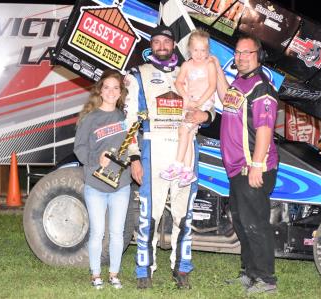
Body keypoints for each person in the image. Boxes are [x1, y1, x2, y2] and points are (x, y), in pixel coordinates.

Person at [123, 25, 214, 289]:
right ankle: (144, 271)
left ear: (174, 45)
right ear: (151, 45)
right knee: (148, 215)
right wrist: (133, 157)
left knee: (183, 215)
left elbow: (212, 111)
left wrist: (204, 116)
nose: (162, 45)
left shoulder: (191, 69)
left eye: (167, 41)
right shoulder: (138, 74)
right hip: (154, 150)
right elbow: (129, 119)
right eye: (157, 41)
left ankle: (181, 268)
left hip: (185, 151)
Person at [213, 34, 279, 295]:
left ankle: (266, 280)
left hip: (252, 167)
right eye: (237, 53)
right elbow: (224, 96)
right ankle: (249, 272)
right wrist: (216, 66)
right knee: (241, 222)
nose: (240, 58)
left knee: (256, 223)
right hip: (237, 168)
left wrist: (256, 165)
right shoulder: (241, 83)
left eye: (246, 53)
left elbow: (264, 130)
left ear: (258, 55)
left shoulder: (261, 87)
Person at [74, 69, 140, 290]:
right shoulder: (90, 119)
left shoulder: (126, 117)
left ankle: (113, 273)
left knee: (117, 232)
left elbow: (133, 145)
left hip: (120, 184)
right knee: (97, 232)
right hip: (95, 184)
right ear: (100, 90)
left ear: (120, 92)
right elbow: (79, 148)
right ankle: (95, 274)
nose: (111, 91)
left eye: (116, 88)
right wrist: (95, 160)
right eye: (107, 87)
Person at [159, 29, 217, 187]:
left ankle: (177, 165)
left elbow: (212, 86)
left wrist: (199, 103)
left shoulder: (210, 64)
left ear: (208, 50)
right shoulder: (186, 65)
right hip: (189, 102)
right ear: (190, 49)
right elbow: (178, 82)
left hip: (203, 103)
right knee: (189, 135)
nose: (199, 54)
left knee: (183, 130)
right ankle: (187, 171)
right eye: (196, 49)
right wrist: (185, 97)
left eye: (203, 50)